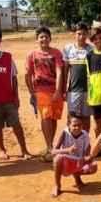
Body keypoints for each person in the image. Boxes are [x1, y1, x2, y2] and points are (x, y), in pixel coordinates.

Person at [0, 30, 31, 160]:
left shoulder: (8, 57)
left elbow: (14, 78)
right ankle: (2, 150)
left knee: (16, 124)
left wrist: (16, 96)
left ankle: (24, 150)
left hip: (8, 99)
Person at [25, 26, 64, 162]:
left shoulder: (56, 53)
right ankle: (49, 147)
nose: (44, 39)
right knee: (46, 117)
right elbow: (27, 74)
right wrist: (31, 92)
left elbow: (59, 72)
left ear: (50, 38)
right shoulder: (32, 55)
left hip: (55, 90)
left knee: (53, 118)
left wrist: (59, 91)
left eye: (46, 37)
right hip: (41, 91)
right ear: (37, 39)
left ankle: (50, 145)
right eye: (41, 37)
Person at [51, 116, 97, 197]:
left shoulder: (85, 135)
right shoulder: (64, 133)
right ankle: (57, 185)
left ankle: (78, 180)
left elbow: (87, 153)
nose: (77, 128)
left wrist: (87, 158)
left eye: (79, 125)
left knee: (93, 166)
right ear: (69, 125)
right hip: (66, 163)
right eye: (74, 125)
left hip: (78, 162)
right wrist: (67, 150)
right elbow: (53, 152)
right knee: (57, 159)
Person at [63, 22, 93, 132]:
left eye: (84, 34)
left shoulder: (91, 49)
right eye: (79, 33)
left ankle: (84, 143)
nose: (81, 36)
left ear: (87, 34)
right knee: (71, 118)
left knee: (86, 118)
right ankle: (70, 142)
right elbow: (65, 71)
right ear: (74, 34)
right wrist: (63, 89)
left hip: (88, 90)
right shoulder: (68, 49)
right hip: (73, 90)